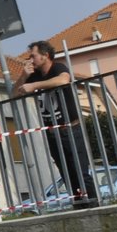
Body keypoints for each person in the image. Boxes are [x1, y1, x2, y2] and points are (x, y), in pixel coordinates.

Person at [19, 41, 97, 210]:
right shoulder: (34, 75)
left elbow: (63, 80)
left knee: (81, 173)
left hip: (70, 128)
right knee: (66, 174)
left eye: (33, 55)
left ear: (45, 55)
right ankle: (79, 206)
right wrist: (24, 77)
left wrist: (34, 86)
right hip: (52, 132)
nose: (31, 60)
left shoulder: (58, 68)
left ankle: (94, 205)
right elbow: (15, 92)